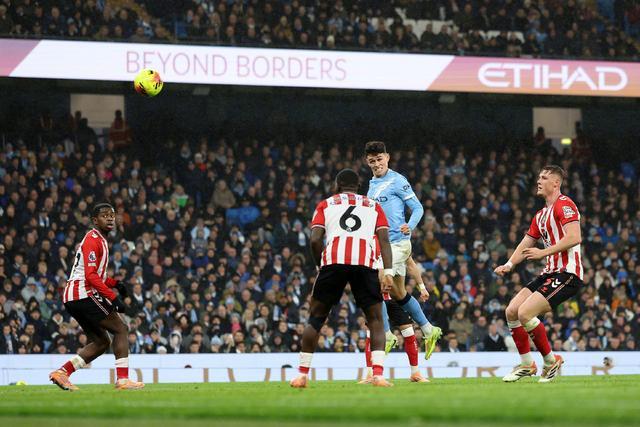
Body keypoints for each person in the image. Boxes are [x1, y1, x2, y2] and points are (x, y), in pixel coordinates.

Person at [290, 169, 394, 388]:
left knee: (316, 318)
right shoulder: (374, 206)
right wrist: (388, 271)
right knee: (375, 319)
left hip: (333, 262)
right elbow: (384, 240)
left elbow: (315, 239)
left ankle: (302, 375)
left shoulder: (325, 204)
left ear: (337, 185)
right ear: (359, 186)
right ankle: (378, 375)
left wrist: (320, 264)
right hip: (364, 263)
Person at [495, 165, 584, 383]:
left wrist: (543, 252)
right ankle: (527, 365)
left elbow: (575, 237)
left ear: (556, 183)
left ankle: (551, 361)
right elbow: (526, 242)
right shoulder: (541, 215)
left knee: (525, 313)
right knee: (512, 311)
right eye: (539, 177)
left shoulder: (565, 204)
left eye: (544, 178)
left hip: (567, 274)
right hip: (550, 272)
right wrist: (509, 264)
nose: (539, 181)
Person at [49, 203, 144, 390]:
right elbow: (91, 277)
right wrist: (113, 298)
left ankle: (62, 372)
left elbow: (97, 275)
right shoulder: (93, 239)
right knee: (121, 328)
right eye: (104, 215)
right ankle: (123, 380)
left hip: (74, 296)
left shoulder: (99, 240)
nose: (110, 218)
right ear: (94, 220)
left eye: (112, 215)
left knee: (102, 342)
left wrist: (115, 284)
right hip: (82, 293)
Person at [365, 141, 442, 359]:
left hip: (397, 243)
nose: (376, 164)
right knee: (398, 293)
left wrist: (410, 225)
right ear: (367, 162)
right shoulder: (372, 184)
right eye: (372, 161)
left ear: (387, 157)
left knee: (377, 283)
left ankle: (386, 334)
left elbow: (418, 208)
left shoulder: (398, 181)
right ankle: (429, 329)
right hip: (381, 244)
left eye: (379, 159)